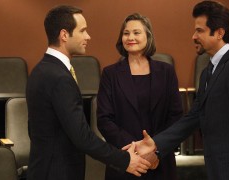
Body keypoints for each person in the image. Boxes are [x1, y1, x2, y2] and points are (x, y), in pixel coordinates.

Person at [124, 1, 229, 180]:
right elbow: (193, 117)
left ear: (220, 33)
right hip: (220, 169)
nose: (193, 36)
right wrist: (155, 144)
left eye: (200, 31)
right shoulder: (208, 71)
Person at [26, 5, 151, 180]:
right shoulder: (59, 77)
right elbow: (81, 136)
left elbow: (33, 129)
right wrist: (124, 160)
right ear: (64, 35)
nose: (88, 36)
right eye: (82, 31)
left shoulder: (40, 70)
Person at [96, 13, 183, 180]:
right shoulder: (110, 74)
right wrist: (135, 150)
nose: (130, 37)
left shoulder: (167, 72)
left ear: (148, 36)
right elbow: (104, 119)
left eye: (137, 32)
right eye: (126, 33)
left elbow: (176, 116)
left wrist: (155, 150)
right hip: (125, 160)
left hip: (160, 160)